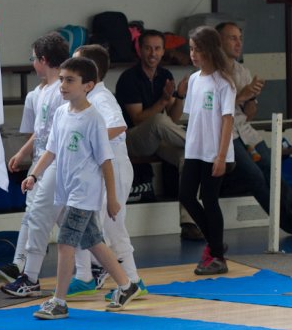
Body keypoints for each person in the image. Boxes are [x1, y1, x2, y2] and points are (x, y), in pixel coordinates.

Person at [21, 56, 142, 319]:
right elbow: (51, 150)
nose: (63, 85)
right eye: (61, 79)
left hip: (84, 193)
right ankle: (127, 285)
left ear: (88, 85)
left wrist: (112, 198)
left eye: (70, 81)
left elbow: (106, 161)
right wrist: (34, 175)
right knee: (93, 241)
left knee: (65, 243)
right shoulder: (61, 114)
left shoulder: (94, 119)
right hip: (67, 190)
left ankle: (59, 301)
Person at [216, 22, 292, 237]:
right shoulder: (208, 73)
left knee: (271, 167)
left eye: (240, 38)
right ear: (218, 41)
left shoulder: (242, 71)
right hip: (223, 135)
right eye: (232, 38)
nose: (238, 43)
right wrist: (242, 95)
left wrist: (252, 99)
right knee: (254, 176)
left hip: (244, 130)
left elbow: (248, 114)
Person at [0, 32, 69, 296]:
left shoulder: (61, 91)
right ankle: (97, 266)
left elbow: (58, 135)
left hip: (57, 164)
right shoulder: (39, 93)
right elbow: (40, 132)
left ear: (43, 60)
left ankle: (29, 275)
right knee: (62, 221)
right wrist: (24, 154)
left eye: (34, 58)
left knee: (39, 217)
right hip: (41, 163)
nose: (32, 62)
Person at [67, 44, 147, 299]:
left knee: (108, 225)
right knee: (106, 226)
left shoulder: (102, 97)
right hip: (101, 170)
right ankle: (117, 277)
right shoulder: (87, 98)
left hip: (115, 168)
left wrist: (88, 139)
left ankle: (113, 276)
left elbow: (119, 126)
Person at [115, 29, 201, 241]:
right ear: (140, 50)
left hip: (159, 138)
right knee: (158, 121)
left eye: (157, 48)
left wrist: (179, 96)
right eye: (148, 48)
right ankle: (207, 147)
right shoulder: (129, 78)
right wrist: (163, 100)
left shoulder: (165, 75)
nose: (153, 53)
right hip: (132, 139)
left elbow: (173, 117)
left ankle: (188, 222)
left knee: (188, 158)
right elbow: (138, 119)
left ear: (163, 51)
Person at [178, 26, 236, 276]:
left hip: (214, 152)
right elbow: (193, 115)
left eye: (198, 49)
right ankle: (215, 242)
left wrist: (221, 156)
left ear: (210, 50)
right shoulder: (194, 80)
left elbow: (227, 120)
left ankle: (218, 256)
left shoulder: (224, 83)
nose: (193, 54)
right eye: (191, 49)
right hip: (194, 149)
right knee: (186, 196)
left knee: (210, 200)